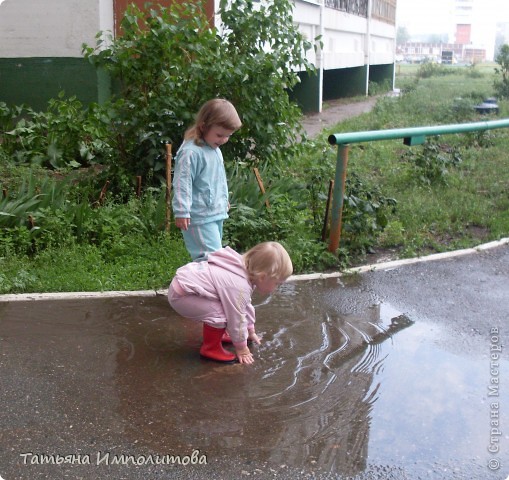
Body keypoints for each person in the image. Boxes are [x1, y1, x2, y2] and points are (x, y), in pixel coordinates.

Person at [168, 241, 293, 364]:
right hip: (182, 296)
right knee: (222, 315)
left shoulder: (242, 269)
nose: (276, 288)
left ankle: (219, 334)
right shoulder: (239, 286)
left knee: (228, 308)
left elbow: (245, 305)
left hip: (186, 289)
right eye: (277, 283)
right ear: (262, 277)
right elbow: (237, 318)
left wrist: (250, 331)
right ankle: (210, 348)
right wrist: (242, 348)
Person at [172, 98, 242, 261]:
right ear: (203, 126)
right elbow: (183, 182)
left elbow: (216, 179)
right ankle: (199, 286)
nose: (223, 140)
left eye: (228, 136)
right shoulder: (191, 152)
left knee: (214, 257)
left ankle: (202, 286)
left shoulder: (214, 148)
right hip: (199, 216)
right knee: (209, 259)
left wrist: (223, 200)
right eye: (219, 135)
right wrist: (182, 210)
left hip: (214, 213)